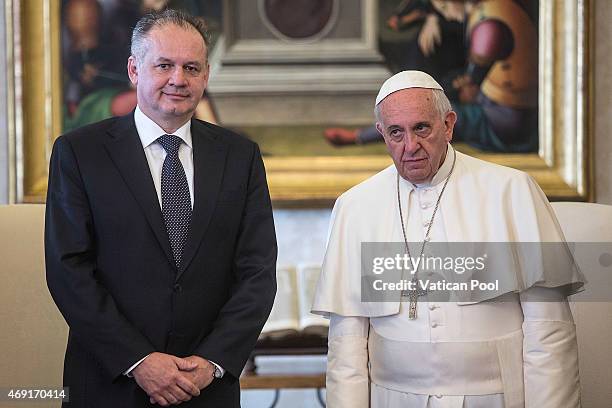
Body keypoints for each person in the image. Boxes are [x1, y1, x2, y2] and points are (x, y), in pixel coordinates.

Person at [45, 9, 277, 408]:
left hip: (206, 388)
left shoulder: (240, 156)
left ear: (206, 76)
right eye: (164, 65)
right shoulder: (80, 153)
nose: (178, 79)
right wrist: (140, 361)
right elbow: (69, 270)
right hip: (110, 385)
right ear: (134, 70)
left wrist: (211, 362)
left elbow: (257, 272)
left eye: (191, 67)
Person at [312, 71, 583, 407]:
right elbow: (346, 345)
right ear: (382, 133)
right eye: (396, 132)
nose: (410, 146)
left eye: (421, 128)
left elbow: (549, 332)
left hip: (496, 399)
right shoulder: (355, 207)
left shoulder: (512, 191)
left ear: (449, 125)